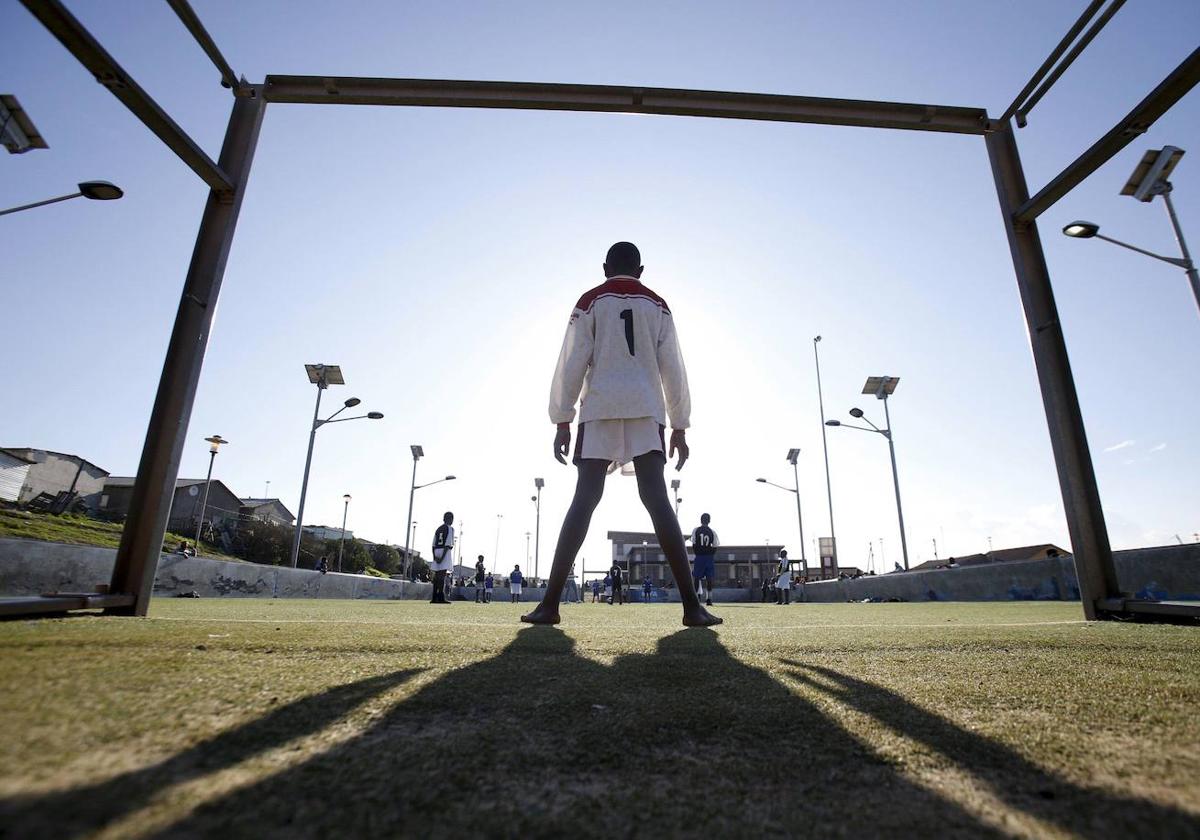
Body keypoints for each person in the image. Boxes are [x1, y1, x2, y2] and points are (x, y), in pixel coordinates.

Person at [520, 243, 720, 627]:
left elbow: (572, 359)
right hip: (646, 409)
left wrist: (561, 419)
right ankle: (692, 608)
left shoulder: (590, 300)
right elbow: (673, 368)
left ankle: (550, 605)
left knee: (584, 499)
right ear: (641, 270)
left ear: (604, 267)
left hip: (600, 407)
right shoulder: (658, 304)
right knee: (658, 499)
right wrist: (680, 424)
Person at [689, 513, 720, 607]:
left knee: (697, 577)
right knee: (709, 578)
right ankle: (709, 599)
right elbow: (715, 545)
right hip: (709, 557)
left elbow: (693, 542)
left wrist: (698, 553)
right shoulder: (712, 532)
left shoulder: (696, 530)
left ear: (700, 520)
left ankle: (696, 599)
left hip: (699, 557)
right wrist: (710, 554)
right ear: (709, 521)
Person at [430, 512, 455, 605]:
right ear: (450, 519)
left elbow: (433, 544)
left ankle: (434, 597)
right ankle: (440, 597)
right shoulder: (450, 529)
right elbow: (448, 544)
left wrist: (434, 557)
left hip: (436, 551)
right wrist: (442, 557)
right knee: (442, 575)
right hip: (445, 552)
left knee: (437, 576)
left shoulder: (438, 528)